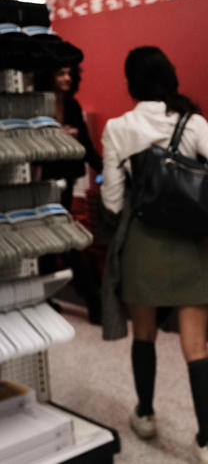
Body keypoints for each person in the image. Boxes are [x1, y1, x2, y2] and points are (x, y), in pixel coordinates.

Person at [100, 46, 208, 464]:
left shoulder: (118, 127)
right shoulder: (193, 122)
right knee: (196, 346)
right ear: (171, 77)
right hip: (190, 246)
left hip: (143, 246)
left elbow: (112, 200)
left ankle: (145, 414)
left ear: (130, 83)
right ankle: (207, 441)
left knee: (144, 336)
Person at [34, 64, 103, 324]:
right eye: (60, 73)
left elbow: (85, 145)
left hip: (68, 177)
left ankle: (51, 298)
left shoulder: (72, 105)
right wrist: (55, 137)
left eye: (69, 74)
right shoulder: (38, 106)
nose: (66, 78)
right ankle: (92, 298)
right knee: (62, 240)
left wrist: (105, 172)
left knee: (57, 239)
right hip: (42, 182)